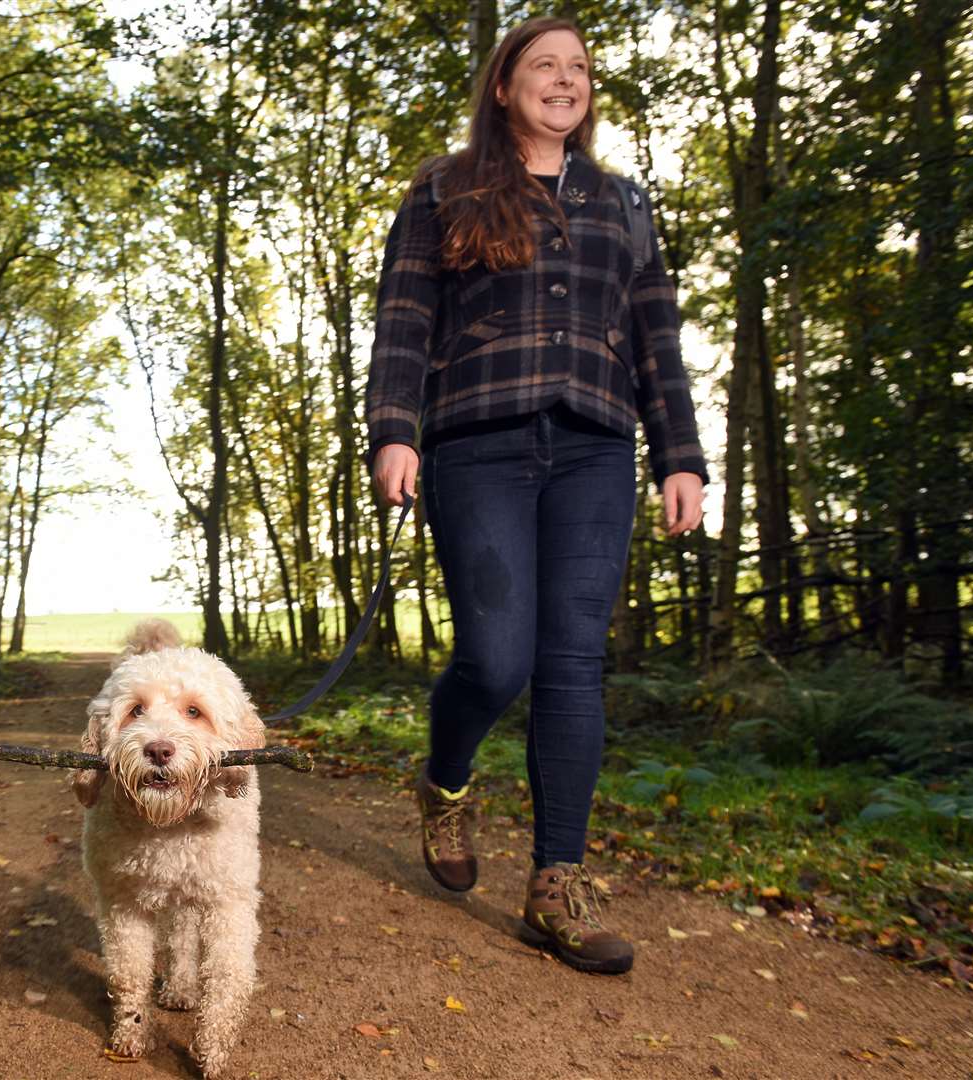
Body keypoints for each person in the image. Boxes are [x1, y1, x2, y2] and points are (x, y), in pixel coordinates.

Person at [366, 16, 707, 975]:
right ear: (504, 83)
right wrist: (394, 428)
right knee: (495, 658)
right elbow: (404, 317)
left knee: (570, 662)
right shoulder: (444, 189)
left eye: (579, 69)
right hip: (478, 440)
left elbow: (655, 337)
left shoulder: (622, 202)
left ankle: (557, 883)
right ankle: (445, 779)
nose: (564, 81)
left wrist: (679, 454)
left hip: (596, 445)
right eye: (543, 66)